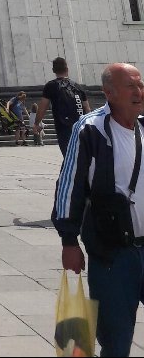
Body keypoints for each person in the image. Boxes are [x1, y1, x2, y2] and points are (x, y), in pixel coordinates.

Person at [52, 63, 144, 358]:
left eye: (140, 84)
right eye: (131, 86)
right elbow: (69, 186)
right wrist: (69, 241)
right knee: (116, 341)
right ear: (109, 93)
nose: (139, 91)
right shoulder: (90, 130)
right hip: (114, 254)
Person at [34, 56, 91, 155]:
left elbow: (43, 107)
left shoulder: (51, 86)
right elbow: (87, 108)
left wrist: (36, 123)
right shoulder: (78, 86)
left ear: (53, 70)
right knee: (82, 156)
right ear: (67, 69)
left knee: (69, 156)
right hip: (81, 127)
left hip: (63, 128)